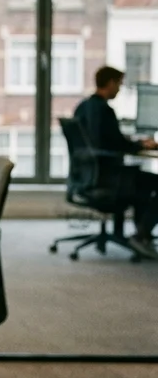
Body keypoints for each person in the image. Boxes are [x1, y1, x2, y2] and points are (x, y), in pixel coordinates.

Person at [73, 65, 158, 259]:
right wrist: (141, 145)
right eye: (119, 84)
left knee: (143, 183)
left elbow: (104, 140)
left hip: (89, 176)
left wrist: (131, 142)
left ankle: (141, 235)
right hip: (108, 177)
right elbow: (115, 145)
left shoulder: (83, 106)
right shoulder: (104, 110)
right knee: (150, 182)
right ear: (110, 83)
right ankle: (142, 234)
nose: (119, 89)